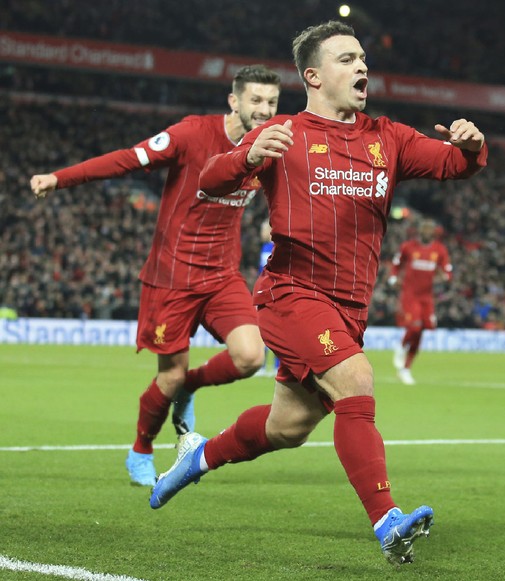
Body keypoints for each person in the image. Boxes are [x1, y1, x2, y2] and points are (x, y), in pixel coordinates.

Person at [150, 21, 487, 567]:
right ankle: (387, 520)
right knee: (355, 380)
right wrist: (249, 156)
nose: (362, 68)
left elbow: (453, 164)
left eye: (363, 60)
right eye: (347, 59)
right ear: (313, 75)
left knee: (288, 427)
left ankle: (197, 458)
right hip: (291, 292)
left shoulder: (389, 138)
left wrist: (471, 147)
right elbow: (210, 179)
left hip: (350, 307)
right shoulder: (283, 132)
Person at [30, 65, 282, 487]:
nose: (264, 109)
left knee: (250, 357)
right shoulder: (191, 135)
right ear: (234, 100)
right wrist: (60, 179)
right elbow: (127, 160)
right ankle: (141, 450)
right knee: (168, 374)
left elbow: (285, 191)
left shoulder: (270, 146)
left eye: (272, 102)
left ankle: (189, 388)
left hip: (222, 275)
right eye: (256, 100)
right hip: (173, 277)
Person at [389, 219, 452, 385]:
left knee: (423, 330)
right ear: (419, 232)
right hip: (410, 295)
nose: (425, 233)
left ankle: (406, 369)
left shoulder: (439, 249)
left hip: (427, 297)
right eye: (423, 230)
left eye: (428, 230)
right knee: (415, 326)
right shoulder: (409, 247)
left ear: (433, 232)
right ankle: (401, 347)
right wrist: (393, 278)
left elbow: (447, 270)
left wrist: (445, 276)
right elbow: (396, 264)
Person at [255, 219, 280, 377]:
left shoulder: (277, 248)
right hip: (263, 294)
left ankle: (279, 366)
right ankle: (263, 366)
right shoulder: (264, 248)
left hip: (275, 295)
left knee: (278, 332)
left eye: (264, 229)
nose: (262, 232)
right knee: (263, 331)